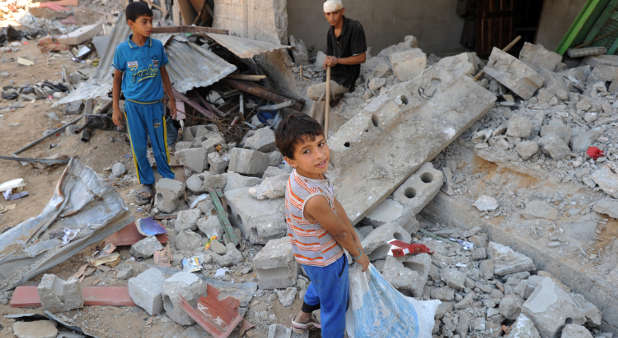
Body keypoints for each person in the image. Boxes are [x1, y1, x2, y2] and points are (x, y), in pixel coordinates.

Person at [275, 113, 369, 337]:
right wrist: (358, 254)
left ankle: (303, 319)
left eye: (321, 144)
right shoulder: (313, 199)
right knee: (335, 308)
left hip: (309, 256)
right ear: (290, 160)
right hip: (327, 260)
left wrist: (352, 232)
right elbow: (338, 232)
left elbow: (334, 204)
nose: (319, 155)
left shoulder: (303, 176)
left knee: (320, 286)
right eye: (307, 151)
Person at [111, 1, 177, 203]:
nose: (150, 26)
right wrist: (115, 108)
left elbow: (164, 73)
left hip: (156, 105)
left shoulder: (156, 47)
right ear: (131, 24)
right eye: (144, 22)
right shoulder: (123, 50)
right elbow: (117, 79)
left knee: (160, 146)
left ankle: (167, 178)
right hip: (133, 107)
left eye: (151, 21)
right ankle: (147, 182)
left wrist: (171, 98)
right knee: (139, 147)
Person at [308, 0, 367, 125]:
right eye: (328, 14)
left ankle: (336, 94)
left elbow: (361, 57)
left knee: (312, 92)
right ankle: (314, 131)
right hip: (332, 76)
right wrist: (327, 61)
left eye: (335, 13)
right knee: (319, 99)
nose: (331, 17)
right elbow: (330, 55)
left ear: (342, 11)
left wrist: (338, 60)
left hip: (346, 79)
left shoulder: (354, 27)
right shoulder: (330, 33)